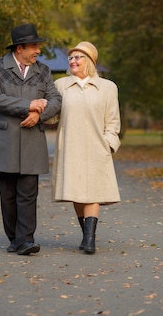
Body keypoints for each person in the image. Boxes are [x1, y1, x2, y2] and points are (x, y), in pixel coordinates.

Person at [0, 23, 62, 256]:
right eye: (34, 46)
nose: (38, 51)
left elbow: (55, 99)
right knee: (7, 195)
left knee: (28, 192)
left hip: (31, 138)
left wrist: (38, 115)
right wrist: (27, 105)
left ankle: (26, 239)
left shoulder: (43, 71)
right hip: (3, 139)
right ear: (19, 48)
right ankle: (14, 239)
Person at [51, 41, 121, 254]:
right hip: (70, 147)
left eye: (78, 57)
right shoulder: (60, 86)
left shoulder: (108, 87)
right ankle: (85, 234)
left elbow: (113, 120)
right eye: (71, 58)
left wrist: (108, 144)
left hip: (96, 148)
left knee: (92, 193)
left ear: (89, 61)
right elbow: (53, 115)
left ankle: (90, 239)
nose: (73, 61)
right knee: (77, 192)